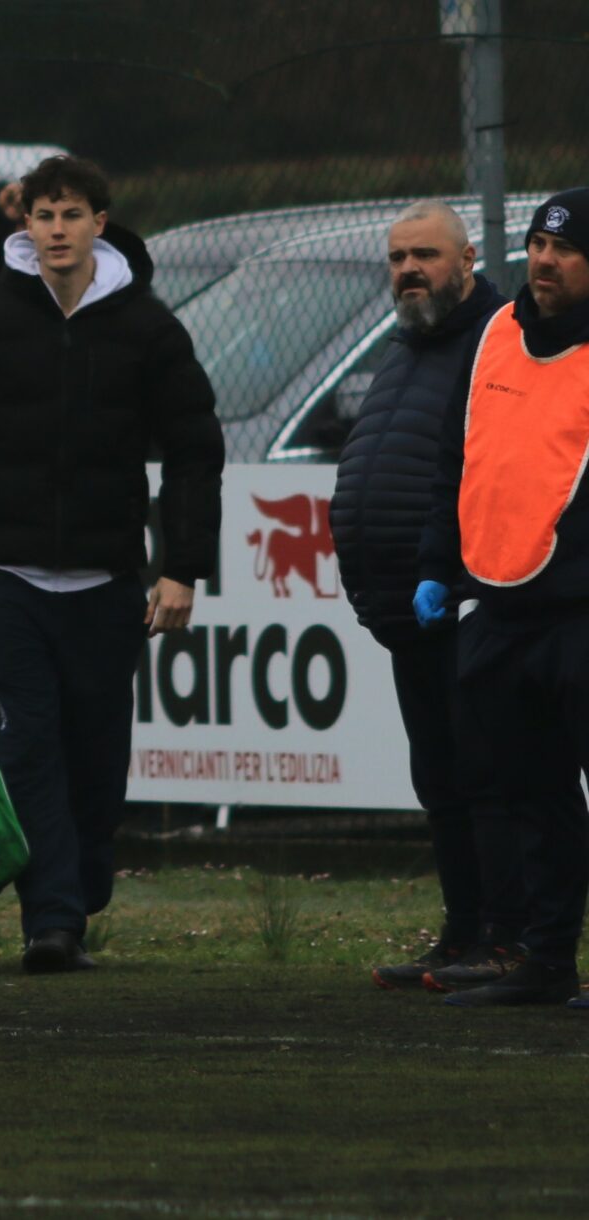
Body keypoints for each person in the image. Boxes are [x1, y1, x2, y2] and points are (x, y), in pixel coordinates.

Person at [0, 154, 223, 973]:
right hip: (8, 581)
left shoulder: (149, 328)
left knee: (96, 760)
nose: (57, 230)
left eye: (72, 215)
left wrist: (182, 568)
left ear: (100, 223)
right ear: (26, 225)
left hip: (107, 582)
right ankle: (51, 922)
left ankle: (77, 886)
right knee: (28, 747)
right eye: (44, 216)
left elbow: (195, 449)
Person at [330, 201, 523, 992]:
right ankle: (463, 934)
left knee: (487, 776)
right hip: (405, 610)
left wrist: (462, 577)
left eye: (426, 255)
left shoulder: (498, 341)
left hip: (469, 604)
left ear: (468, 260)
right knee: (440, 779)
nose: (409, 270)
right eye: (397, 258)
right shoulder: (406, 345)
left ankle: (509, 940)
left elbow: (502, 473)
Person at [417, 188, 589, 1009]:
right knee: (530, 796)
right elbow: (458, 459)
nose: (544, 261)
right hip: (499, 607)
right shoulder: (495, 334)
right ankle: (547, 960)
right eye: (537, 245)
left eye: (565, 250)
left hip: (579, 611)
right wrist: (437, 565)